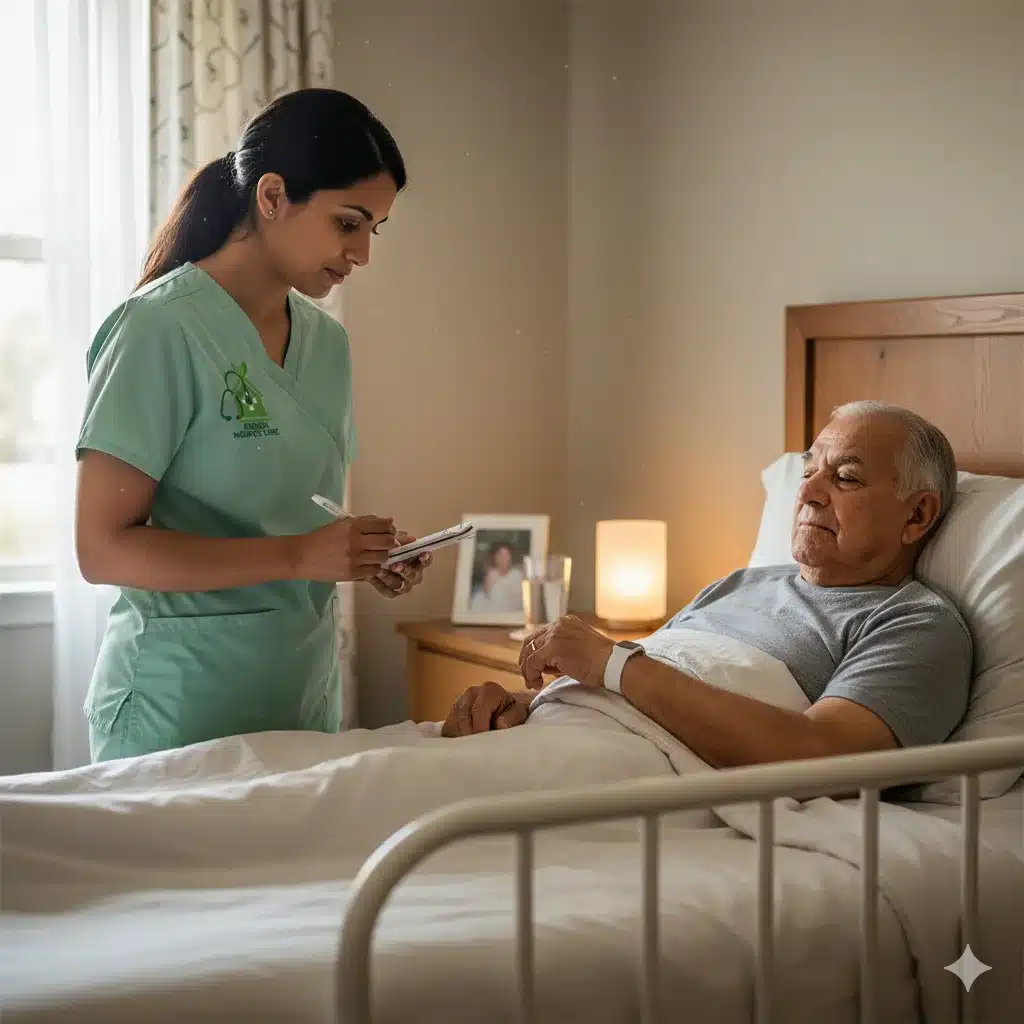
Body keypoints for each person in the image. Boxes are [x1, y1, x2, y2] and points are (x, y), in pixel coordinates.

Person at [77, 88, 430, 762]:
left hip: (299, 703)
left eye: (373, 231)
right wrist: (299, 557)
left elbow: (297, 516)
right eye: (348, 223)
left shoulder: (327, 345)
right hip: (176, 710)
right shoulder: (156, 329)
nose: (362, 255)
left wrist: (359, 555)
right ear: (271, 197)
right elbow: (103, 549)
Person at [443, 402, 973, 768]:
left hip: (620, 771)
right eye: (809, 470)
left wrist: (609, 661)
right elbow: (642, 682)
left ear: (917, 515)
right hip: (561, 737)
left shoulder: (914, 624)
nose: (808, 491)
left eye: (846, 477)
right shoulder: (739, 583)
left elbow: (820, 753)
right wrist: (517, 706)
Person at [468, 542, 525, 614]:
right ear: (495, 557)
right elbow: (486, 596)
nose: (503, 558)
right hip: (494, 609)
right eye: (500, 555)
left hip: (513, 609)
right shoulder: (491, 574)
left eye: (506, 555)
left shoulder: (516, 574)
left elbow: (520, 598)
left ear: (511, 557)